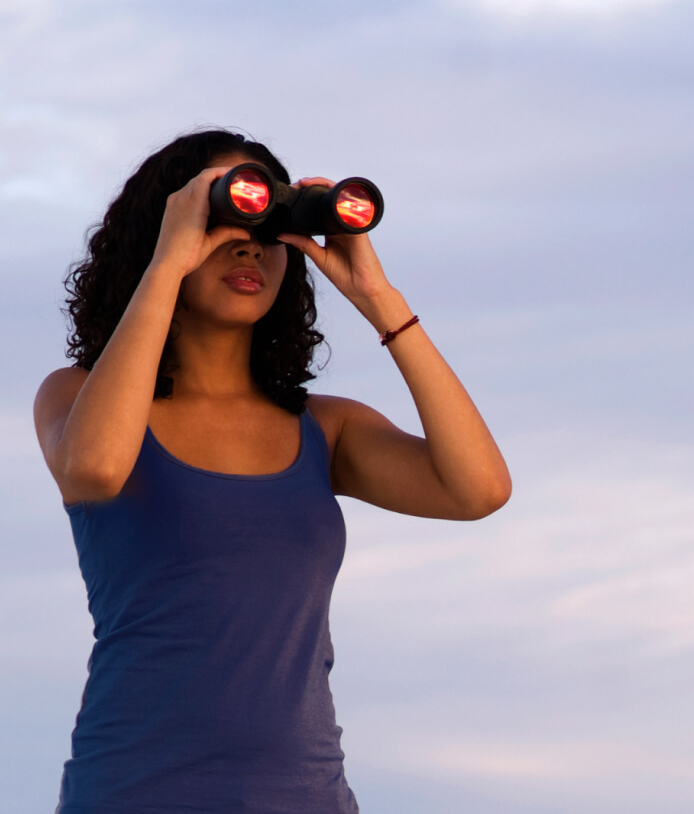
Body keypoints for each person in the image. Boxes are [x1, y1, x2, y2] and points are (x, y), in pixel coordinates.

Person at [32, 129, 511, 813]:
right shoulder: (77, 397)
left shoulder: (325, 428)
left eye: (268, 227)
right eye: (224, 219)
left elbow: (479, 490)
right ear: (167, 229)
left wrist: (379, 297)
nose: (250, 244)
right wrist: (165, 268)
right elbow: (96, 470)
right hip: (135, 792)